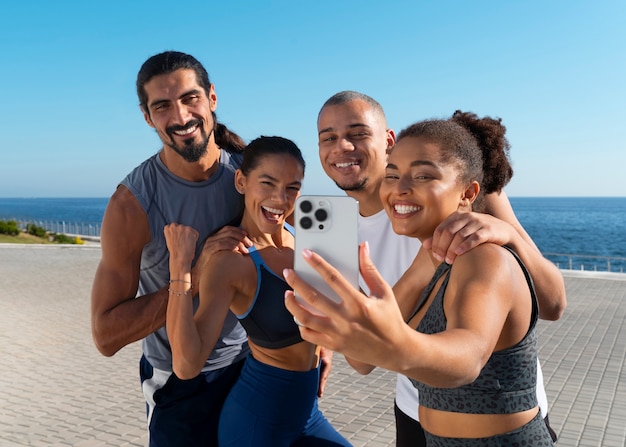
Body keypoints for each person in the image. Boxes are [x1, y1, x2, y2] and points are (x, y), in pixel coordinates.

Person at [286, 112, 558, 445]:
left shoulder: (483, 253)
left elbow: (469, 355)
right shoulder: (420, 253)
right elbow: (361, 358)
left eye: (423, 176)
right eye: (394, 175)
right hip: (422, 425)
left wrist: (397, 344)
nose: (343, 147)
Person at [90, 51, 253, 447]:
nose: (180, 117)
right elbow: (106, 335)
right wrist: (193, 278)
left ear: (212, 97)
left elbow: (290, 256)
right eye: (162, 106)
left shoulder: (252, 174)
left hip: (255, 367)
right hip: (180, 386)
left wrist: (314, 343)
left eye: (190, 99)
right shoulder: (133, 204)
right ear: (147, 117)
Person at [164, 136, 351, 447]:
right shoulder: (231, 262)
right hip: (257, 424)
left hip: (307, 414)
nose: (280, 198)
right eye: (267, 183)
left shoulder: (304, 235)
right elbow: (186, 365)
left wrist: (324, 344)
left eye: (292, 186)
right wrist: (180, 267)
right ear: (241, 181)